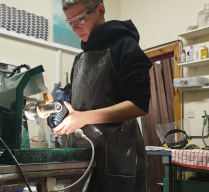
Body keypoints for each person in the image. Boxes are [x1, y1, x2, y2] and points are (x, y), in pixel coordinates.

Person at [52, 0, 152, 191]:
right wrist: (66, 116)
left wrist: (82, 118)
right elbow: (80, 107)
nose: (75, 28)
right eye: (70, 22)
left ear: (101, 10)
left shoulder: (124, 46)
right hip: (85, 158)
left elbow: (139, 104)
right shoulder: (79, 60)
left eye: (81, 18)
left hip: (119, 159)